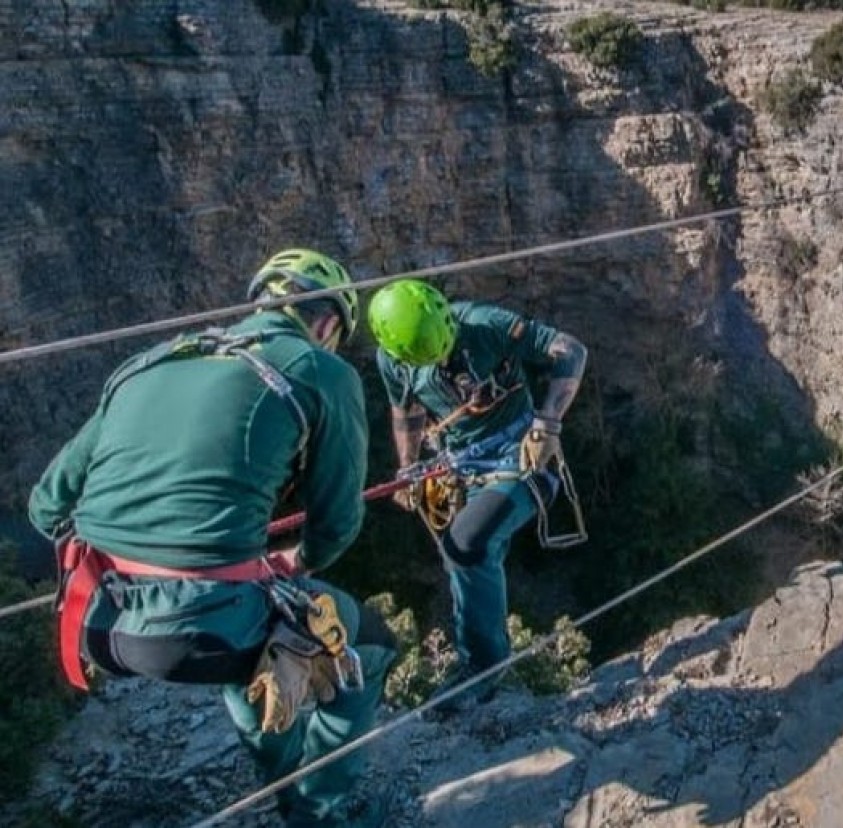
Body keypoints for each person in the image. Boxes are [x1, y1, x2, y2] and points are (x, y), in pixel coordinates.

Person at [28, 249, 396, 828]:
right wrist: (290, 562)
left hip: (95, 625)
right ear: (327, 324)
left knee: (255, 644)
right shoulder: (322, 371)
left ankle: (284, 787)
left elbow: (46, 505)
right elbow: (335, 527)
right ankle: (317, 811)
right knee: (368, 649)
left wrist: (142, 540)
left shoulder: (147, 360)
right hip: (200, 631)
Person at [366, 278, 587, 712]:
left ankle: (483, 668)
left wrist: (549, 422)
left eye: (447, 348)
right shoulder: (393, 360)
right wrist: (409, 468)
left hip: (524, 453)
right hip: (461, 465)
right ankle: (481, 659)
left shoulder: (484, 323)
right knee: (460, 550)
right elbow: (406, 409)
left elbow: (570, 351)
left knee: (466, 546)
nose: (446, 359)